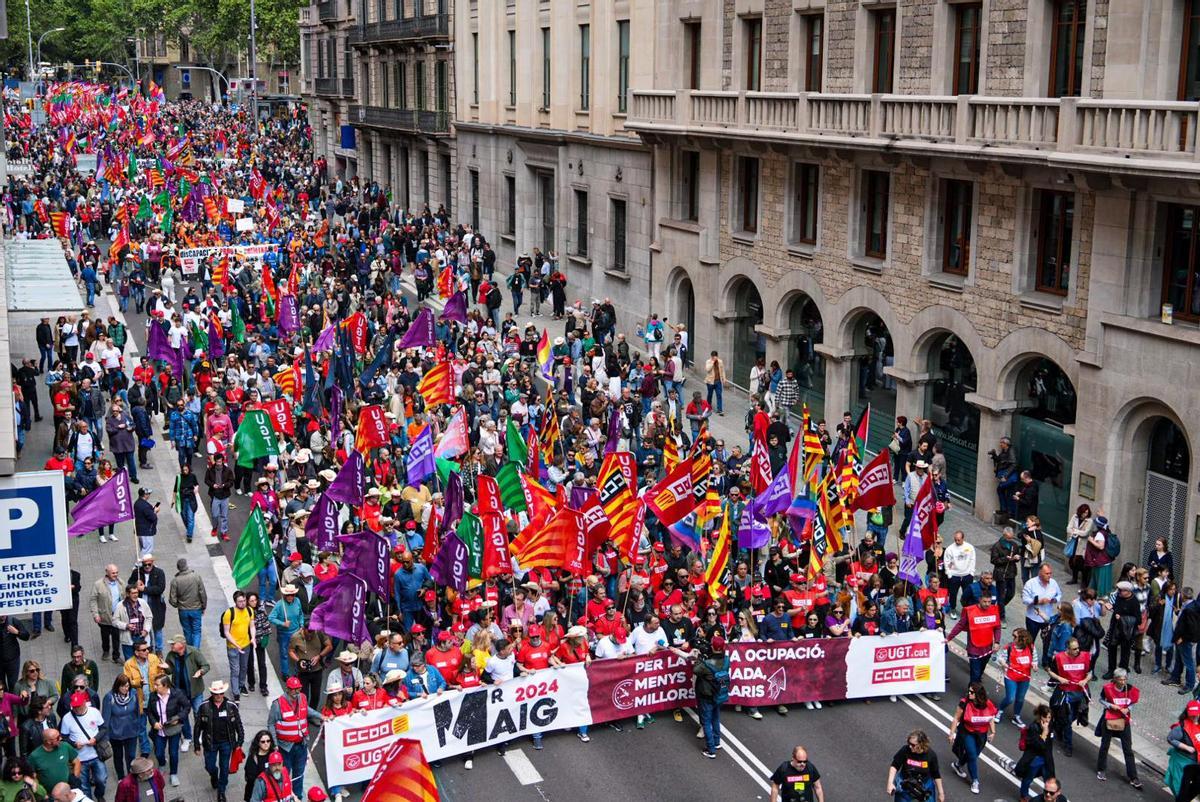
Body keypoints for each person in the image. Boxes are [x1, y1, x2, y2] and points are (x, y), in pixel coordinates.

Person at [267, 678, 321, 800]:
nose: (297, 691)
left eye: (299, 688)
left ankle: (298, 797)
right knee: (284, 775)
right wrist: (274, 744)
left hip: (301, 745)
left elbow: (307, 710)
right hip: (285, 747)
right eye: (294, 689)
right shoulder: (278, 704)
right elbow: (271, 724)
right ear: (288, 689)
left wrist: (321, 716)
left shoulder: (302, 697)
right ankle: (284, 797)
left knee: (299, 774)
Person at [196, 680, 244, 802]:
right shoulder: (204, 706)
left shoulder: (231, 706)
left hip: (226, 743)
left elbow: (238, 724)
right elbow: (197, 727)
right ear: (212, 693)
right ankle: (213, 774)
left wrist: (240, 740)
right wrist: (196, 745)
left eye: (221, 693)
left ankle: (221, 791)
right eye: (216, 693)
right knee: (209, 766)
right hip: (210, 743)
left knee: (224, 768)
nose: (219, 696)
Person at [1094, 668, 1142, 788]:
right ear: (1115, 679)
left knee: (1128, 749)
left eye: (1125, 679)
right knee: (1105, 745)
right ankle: (1101, 769)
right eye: (1121, 679)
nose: (1123, 681)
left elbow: (1133, 702)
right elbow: (1101, 700)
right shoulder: (1107, 688)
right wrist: (1111, 705)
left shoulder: (1130, 689)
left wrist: (1128, 708)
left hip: (1124, 722)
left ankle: (1133, 776)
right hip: (1109, 720)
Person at [948, 682, 996, 795]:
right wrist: (951, 733)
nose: (969, 693)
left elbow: (991, 719)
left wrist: (993, 732)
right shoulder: (964, 703)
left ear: (978, 694)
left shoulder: (988, 704)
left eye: (972, 692)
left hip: (981, 735)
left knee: (973, 755)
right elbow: (956, 718)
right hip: (967, 731)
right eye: (969, 691)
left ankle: (958, 765)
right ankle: (975, 780)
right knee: (972, 755)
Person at [1046, 638, 1092, 757]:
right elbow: (1049, 670)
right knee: (1067, 720)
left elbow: (1090, 673)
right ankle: (1068, 745)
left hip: (1080, 693)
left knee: (1074, 717)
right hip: (1065, 693)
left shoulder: (1085, 657)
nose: (1077, 650)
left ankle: (1058, 727)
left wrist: (1085, 680)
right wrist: (1059, 678)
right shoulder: (1059, 658)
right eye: (1074, 649)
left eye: (1078, 648)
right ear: (1068, 649)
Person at [58, 693, 105, 802]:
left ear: (84, 703)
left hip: (96, 754)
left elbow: (103, 728)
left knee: (101, 779)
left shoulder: (94, 712)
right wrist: (74, 744)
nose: (76, 709)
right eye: (74, 706)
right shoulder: (67, 718)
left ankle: (99, 795)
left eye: (78, 706)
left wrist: (95, 739)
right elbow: (64, 737)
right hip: (80, 759)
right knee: (84, 786)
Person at [946, 591, 1001, 684]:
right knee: (975, 675)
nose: (987, 604)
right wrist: (948, 638)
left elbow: (997, 627)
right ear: (979, 600)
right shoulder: (969, 611)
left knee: (979, 674)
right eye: (985, 601)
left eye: (989, 602)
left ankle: (975, 693)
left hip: (988, 648)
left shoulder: (994, 609)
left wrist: (997, 642)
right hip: (974, 649)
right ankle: (971, 695)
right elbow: (959, 626)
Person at [693, 635, 730, 759]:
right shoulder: (726, 660)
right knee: (716, 718)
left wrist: (700, 658)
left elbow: (696, 670)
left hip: (706, 695)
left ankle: (711, 749)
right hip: (720, 694)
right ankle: (717, 742)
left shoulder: (706, 664)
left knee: (706, 722)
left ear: (712, 647)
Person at [101, 675, 141, 781]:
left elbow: (137, 711)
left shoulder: (133, 694)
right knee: (118, 756)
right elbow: (106, 718)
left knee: (131, 756)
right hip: (116, 734)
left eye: (127, 686)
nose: (125, 689)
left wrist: (138, 726)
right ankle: (121, 777)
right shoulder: (109, 697)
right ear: (117, 686)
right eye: (123, 686)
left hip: (131, 731)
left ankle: (131, 776)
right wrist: (105, 737)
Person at [886, 730, 944, 802]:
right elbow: (894, 766)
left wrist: (941, 793)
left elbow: (936, 775)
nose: (910, 746)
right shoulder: (905, 750)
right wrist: (890, 783)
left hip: (924, 787)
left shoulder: (931, 755)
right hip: (905, 786)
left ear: (921, 744)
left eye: (913, 745)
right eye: (909, 743)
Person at [1013, 704, 1056, 802]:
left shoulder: (1050, 725)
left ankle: (1049, 798)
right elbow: (1039, 746)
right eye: (1046, 717)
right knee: (1028, 777)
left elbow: (1049, 744)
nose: (1048, 720)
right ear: (1041, 716)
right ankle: (1024, 796)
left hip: (1046, 758)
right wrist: (1045, 732)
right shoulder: (1034, 727)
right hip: (1035, 758)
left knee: (1049, 780)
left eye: (1049, 717)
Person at [995, 628, 1034, 726]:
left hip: (1024, 678)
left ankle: (1017, 716)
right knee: (1010, 698)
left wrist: (1035, 665)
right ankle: (1000, 710)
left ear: (1022, 639)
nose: (1013, 638)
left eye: (1015, 636)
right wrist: (1003, 662)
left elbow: (1035, 659)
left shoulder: (1031, 647)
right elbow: (1001, 658)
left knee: (1020, 698)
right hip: (1011, 677)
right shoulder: (1009, 647)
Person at [220, 592, 255, 702]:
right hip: (233, 647)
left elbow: (252, 626)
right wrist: (236, 644)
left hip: (246, 645)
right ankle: (235, 693)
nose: (243, 603)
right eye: (240, 601)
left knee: (244, 667)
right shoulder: (229, 613)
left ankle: (241, 685)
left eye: (244, 600)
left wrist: (253, 638)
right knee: (235, 670)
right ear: (235, 601)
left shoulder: (249, 611)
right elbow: (226, 632)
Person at [27, 731, 78, 801]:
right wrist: (42, 793)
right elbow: (32, 777)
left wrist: (75, 779)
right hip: (49, 797)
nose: (60, 738)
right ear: (48, 741)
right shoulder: (34, 756)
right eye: (57, 738)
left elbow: (76, 762)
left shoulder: (65, 746)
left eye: (59, 736)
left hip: (66, 794)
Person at [168, 558, 206, 649]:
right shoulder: (196, 577)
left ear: (178, 568)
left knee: (187, 631)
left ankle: (189, 649)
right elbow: (202, 593)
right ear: (187, 565)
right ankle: (196, 650)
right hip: (196, 608)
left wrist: (178, 605)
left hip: (183, 610)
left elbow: (172, 600)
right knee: (196, 631)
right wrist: (203, 606)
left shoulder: (175, 581)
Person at [1167, 699, 1200, 802]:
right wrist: (1186, 747)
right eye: (1192, 715)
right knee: (1181, 789)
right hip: (1184, 763)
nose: (1194, 717)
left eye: (1196, 714)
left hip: (1197, 763)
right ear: (1187, 713)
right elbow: (1171, 738)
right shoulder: (1181, 727)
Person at [1022, 563, 1061, 644]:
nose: (1049, 575)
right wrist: (1038, 602)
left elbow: (1059, 594)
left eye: (1050, 573)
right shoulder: (1030, 583)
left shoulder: (1053, 583)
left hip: (1048, 619)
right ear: (1040, 572)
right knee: (1030, 641)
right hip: (1033, 619)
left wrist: (1054, 600)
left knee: (1048, 642)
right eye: (1047, 573)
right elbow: (1025, 599)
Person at [242, 731, 276, 802]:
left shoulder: (274, 755)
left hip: (271, 792)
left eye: (268, 741)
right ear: (258, 743)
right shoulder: (253, 758)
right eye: (263, 742)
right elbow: (250, 778)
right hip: (255, 792)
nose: (266, 743)